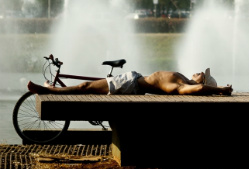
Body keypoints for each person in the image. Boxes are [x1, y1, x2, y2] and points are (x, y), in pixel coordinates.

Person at [27, 68, 233, 96]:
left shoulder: (182, 86)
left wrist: (221, 89)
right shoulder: (183, 80)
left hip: (131, 84)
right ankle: (50, 89)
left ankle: (49, 91)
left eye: (202, 74)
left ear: (203, 82)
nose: (198, 72)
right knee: (87, 86)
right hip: (133, 79)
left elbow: (197, 89)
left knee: (85, 87)